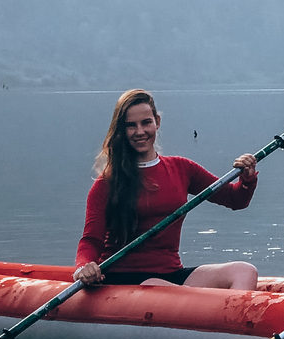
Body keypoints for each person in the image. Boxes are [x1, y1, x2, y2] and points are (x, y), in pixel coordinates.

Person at [74, 89, 260, 290]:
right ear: (121, 131)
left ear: (157, 122)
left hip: (171, 274)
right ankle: (212, 309)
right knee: (157, 285)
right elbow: (91, 240)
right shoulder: (106, 184)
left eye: (146, 122)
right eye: (131, 126)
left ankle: (227, 317)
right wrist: (85, 266)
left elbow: (235, 200)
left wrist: (247, 179)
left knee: (245, 270)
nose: (139, 131)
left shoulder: (182, 168)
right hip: (123, 278)